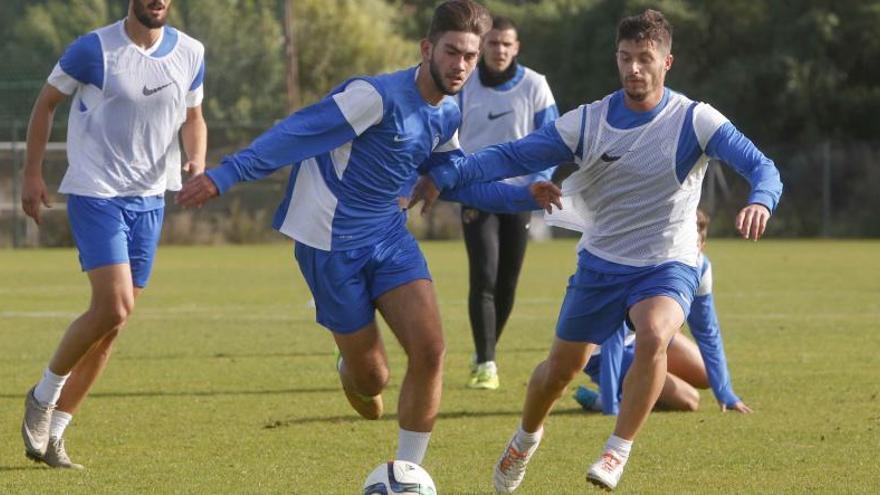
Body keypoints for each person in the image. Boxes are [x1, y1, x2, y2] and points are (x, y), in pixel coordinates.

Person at [408, 9, 782, 491]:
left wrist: (761, 200)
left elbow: (762, 166)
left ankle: (616, 450)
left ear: (668, 63)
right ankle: (525, 437)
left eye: (646, 59)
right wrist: (446, 174)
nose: (634, 69)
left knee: (653, 333)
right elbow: (512, 156)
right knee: (558, 372)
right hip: (602, 262)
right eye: (626, 58)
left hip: (668, 261)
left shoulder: (695, 120)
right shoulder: (588, 122)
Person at [177, 0, 556, 470]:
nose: (460, 65)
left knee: (431, 349)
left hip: (389, 237)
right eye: (451, 52)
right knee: (373, 379)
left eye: (469, 56)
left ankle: (408, 472)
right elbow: (298, 132)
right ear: (426, 48)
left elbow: (454, 179)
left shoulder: (447, 115)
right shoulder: (374, 97)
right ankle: (352, 368)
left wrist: (526, 195)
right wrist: (226, 174)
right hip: (330, 246)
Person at [20, 0, 206, 470]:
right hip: (97, 192)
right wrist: (31, 174)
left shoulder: (191, 51)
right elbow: (46, 104)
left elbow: (194, 116)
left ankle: (55, 435)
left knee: (113, 325)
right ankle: (42, 396)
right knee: (114, 304)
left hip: (151, 199)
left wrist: (195, 158)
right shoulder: (93, 50)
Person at [455, 16, 559, 390]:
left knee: (507, 284)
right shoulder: (464, 85)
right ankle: (486, 363)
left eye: (506, 44)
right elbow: (447, 135)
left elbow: (551, 138)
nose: (499, 50)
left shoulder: (535, 85)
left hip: (520, 198)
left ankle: (486, 349)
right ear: (482, 47)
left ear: (516, 48)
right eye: (493, 43)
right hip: (476, 194)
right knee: (483, 276)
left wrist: (538, 182)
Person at [575, 209, 754, 415]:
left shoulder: (701, 267)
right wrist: (610, 404)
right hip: (602, 352)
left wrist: (726, 393)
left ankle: (645, 382)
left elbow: (707, 331)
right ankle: (610, 396)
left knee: (706, 375)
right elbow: (611, 338)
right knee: (689, 400)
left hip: (645, 339)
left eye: (693, 245)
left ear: (702, 245)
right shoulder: (644, 264)